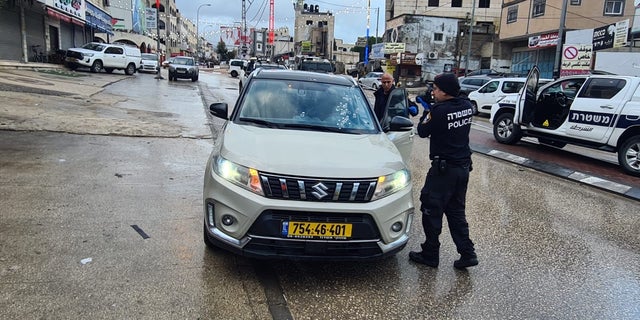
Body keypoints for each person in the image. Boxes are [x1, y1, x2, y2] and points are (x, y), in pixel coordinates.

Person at [409, 72, 478, 270]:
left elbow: (422, 131)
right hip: (462, 168)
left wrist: (427, 110)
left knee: (431, 209)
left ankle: (430, 253)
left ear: (446, 92)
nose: (433, 91)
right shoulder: (466, 106)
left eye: (436, 89)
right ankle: (467, 253)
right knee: (456, 212)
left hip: (443, 171)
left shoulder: (439, 110)